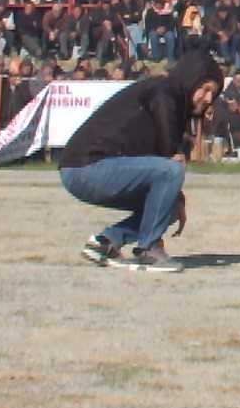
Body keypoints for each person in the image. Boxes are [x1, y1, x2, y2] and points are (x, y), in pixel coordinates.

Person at [58, 50, 223, 273]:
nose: (208, 99)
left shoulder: (170, 99)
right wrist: (175, 153)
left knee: (171, 204)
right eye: (204, 90)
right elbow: (168, 153)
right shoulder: (165, 91)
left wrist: (176, 201)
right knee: (172, 170)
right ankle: (149, 250)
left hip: (82, 169)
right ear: (189, 80)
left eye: (212, 94)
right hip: (87, 166)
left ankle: (106, 242)